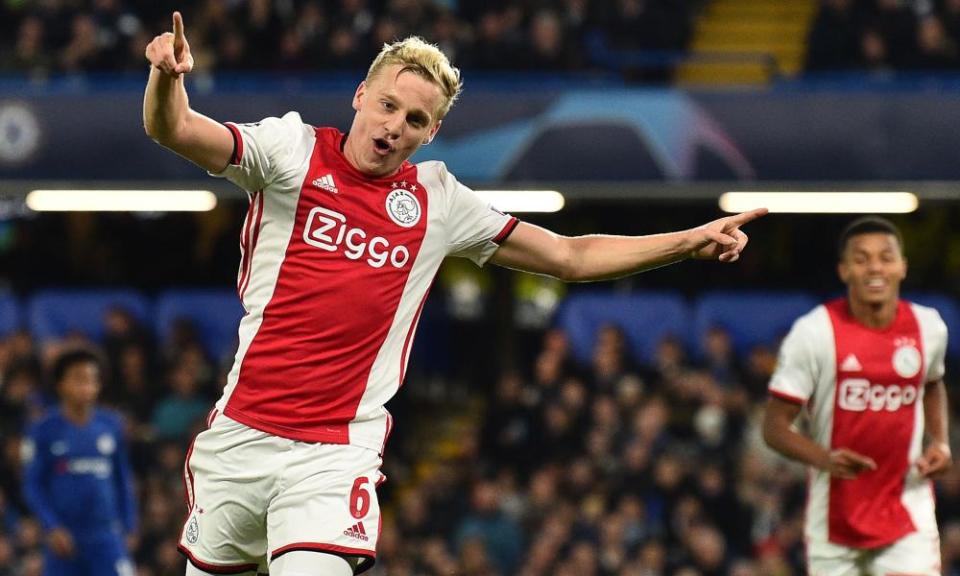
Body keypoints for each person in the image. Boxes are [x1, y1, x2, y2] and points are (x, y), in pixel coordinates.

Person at [142, 12, 765, 576]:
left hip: (334, 452)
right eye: (387, 105)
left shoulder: (438, 201)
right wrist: (167, 79)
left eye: (415, 120)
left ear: (432, 132)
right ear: (361, 96)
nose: (395, 126)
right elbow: (176, 130)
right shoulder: (292, 151)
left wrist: (687, 240)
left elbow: (568, 256)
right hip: (240, 438)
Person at [763, 216, 951, 576]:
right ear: (844, 270)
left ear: (902, 267)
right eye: (862, 259)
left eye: (885, 257)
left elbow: (932, 382)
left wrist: (940, 442)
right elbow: (773, 427)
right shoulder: (814, 332)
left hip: (906, 510)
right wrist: (824, 458)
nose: (875, 267)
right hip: (833, 521)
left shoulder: (929, 328)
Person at [21, 348, 137, 576]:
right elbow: (32, 484)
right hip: (64, 538)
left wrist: (130, 524)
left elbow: (122, 478)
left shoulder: (111, 425)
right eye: (79, 379)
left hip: (106, 535)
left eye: (92, 380)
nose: (87, 386)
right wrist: (51, 526)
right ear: (61, 384)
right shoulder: (43, 429)